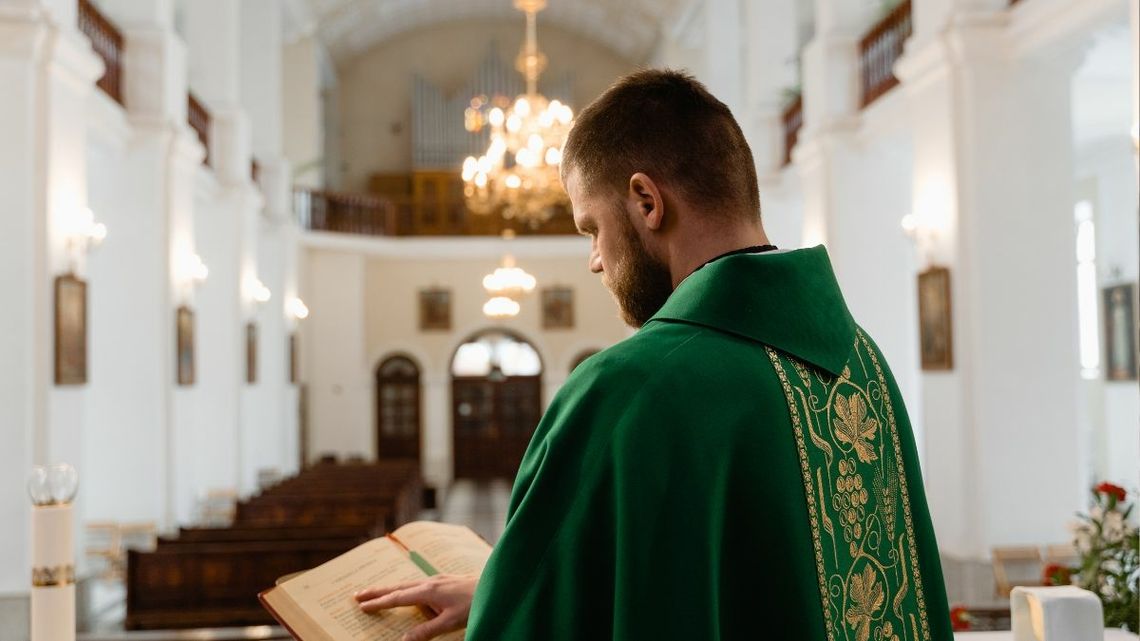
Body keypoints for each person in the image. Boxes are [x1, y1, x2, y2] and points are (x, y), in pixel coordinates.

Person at [355, 69, 953, 641]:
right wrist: (496, 586)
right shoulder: (861, 363)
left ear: (646, 201)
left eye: (591, 228)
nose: (593, 259)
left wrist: (507, 604)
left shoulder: (628, 388)